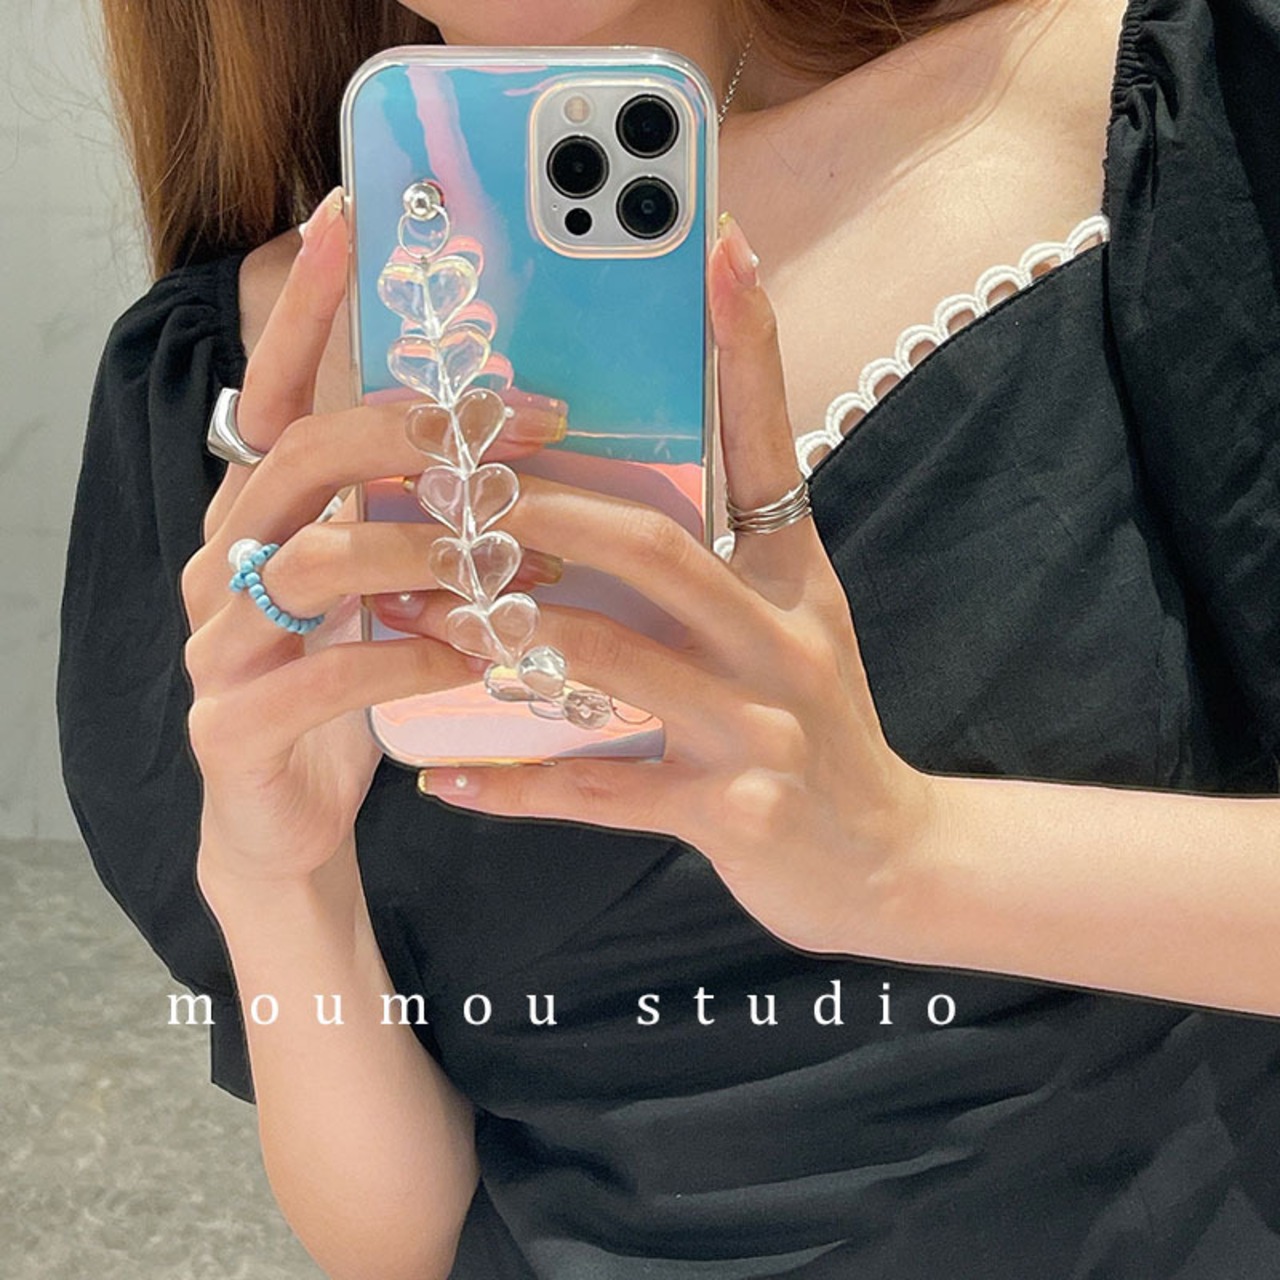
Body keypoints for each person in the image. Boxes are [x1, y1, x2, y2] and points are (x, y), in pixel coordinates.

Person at [57, 0, 1280, 1275]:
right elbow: (400, 1241)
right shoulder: (229, 397)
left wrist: (904, 853)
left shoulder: (1121, 112)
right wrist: (279, 882)